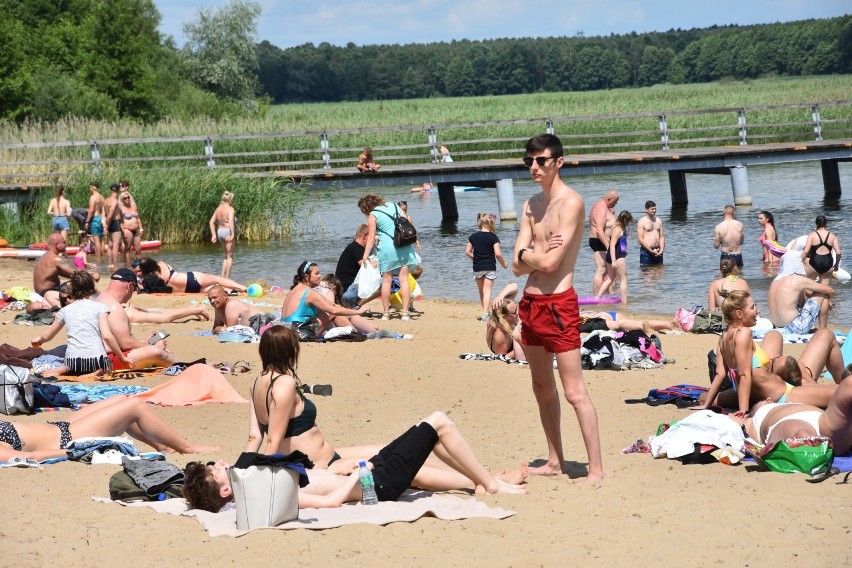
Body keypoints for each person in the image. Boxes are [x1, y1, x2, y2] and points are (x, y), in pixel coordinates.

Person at [231, 327, 524, 500]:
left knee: (396, 450)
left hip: (330, 456)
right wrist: (254, 484)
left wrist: (239, 472)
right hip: (323, 467)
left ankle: (478, 476)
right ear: (289, 352)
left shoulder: (257, 382)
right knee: (413, 468)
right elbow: (272, 444)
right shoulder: (283, 385)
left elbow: (253, 436)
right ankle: (483, 481)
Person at [186, 405, 526, 513]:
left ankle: (484, 481)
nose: (219, 464)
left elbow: (316, 479)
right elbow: (331, 502)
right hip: (377, 482)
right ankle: (491, 484)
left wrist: (341, 468)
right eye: (214, 471)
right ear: (226, 491)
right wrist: (357, 474)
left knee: (430, 436)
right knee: (437, 421)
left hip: (364, 475)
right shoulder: (268, 495)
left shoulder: (258, 485)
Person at [512, 134, 603, 481]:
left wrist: (529, 256)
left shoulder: (571, 203)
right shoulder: (530, 205)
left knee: (574, 391)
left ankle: (595, 468)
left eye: (541, 161)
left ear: (558, 162)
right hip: (531, 304)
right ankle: (555, 460)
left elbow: (551, 265)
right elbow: (517, 265)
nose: (534, 167)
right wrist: (532, 256)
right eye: (529, 162)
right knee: (541, 387)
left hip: (559, 304)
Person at [694, 290, 837, 416]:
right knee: (842, 393)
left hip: (756, 395)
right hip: (784, 395)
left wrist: (707, 404)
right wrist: (743, 411)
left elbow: (720, 374)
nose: (757, 311)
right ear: (739, 314)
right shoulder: (744, 333)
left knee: (773, 335)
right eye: (752, 307)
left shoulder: (723, 337)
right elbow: (744, 375)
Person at [0, 395, 219, 462]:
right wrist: (75, 451)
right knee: (135, 407)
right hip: (69, 439)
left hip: (62, 426)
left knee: (123, 399)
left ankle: (164, 447)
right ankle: (187, 448)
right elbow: (26, 457)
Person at [31, 271, 133, 376]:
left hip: (73, 362)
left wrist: (38, 340)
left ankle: (64, 370)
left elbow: (48, 336)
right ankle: (95, 372)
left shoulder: (65, 310)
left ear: (73, 290)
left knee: (70, 364)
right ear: (91, 287)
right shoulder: (100, 307)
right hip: (96, 361)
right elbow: (107, 336)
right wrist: (122, 357)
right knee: (107, 364)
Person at [95, 268, 181, 369]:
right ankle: (190, 366)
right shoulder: (114, 307)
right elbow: (126, 344)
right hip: (107, 361)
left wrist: (145, 343)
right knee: (156, 352)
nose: (132, 294)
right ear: (130, 285)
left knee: (152, 349)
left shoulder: (99, 299)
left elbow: (116, 340)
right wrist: (151, 346)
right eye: (135, 289)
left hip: (96, 357)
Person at [740, 378, 852, 455]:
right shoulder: (751, 420)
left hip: (821, 422)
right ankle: (811, 447)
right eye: (762, 402)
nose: (767, 400)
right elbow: (737, 428)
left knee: (849, 384)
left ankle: (811, 446)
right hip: (788, 423)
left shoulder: (787, 403)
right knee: (800, 432)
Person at [358, 193, 419, 321]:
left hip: (387, 248)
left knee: (386, 281)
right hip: (403, 244)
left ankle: (386, 313)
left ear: (365, 207)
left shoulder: (373, 215)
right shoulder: (394, 206)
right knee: (404, 280)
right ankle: (405, 312)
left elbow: (370, 238)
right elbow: (406, 222)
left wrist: (365, 255)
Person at [280, 261, 370, 336]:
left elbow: (332, 305)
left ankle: (358, 330)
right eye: (316, 273)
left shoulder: (293, 290)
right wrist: (359, 311)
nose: (320, 276)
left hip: (284, 330)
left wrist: (342, 308)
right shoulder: (310, 293)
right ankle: (354, 333)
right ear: (307, 277)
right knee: (328, 313)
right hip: (297, 333)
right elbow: (333, 310)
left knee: (330, 309)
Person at [767, 252, 834, 333]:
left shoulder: (774, 282)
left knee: (803, 296)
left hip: (776, 327)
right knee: (823, 294)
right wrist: (827, 299)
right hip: (796, 327)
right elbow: (830, 290)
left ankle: (822, 329)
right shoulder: (797, 279)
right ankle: (823, 330)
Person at [33, 234, 97, 308]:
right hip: (47, 291)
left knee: (78, 281)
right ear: (56, 244)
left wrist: (87, 275)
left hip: (41, 291)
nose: (65, 244)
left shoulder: (45, 256)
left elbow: (67, 274)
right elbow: (76, 273)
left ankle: (95, 298)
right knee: (80, 283)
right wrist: (91, 275)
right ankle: (96, 300)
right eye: (64, 242)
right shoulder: (55, 259)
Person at [466, 213, 508, 321]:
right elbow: (498, 254)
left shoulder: (473, 236)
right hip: (489, 267)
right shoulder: (493, 237)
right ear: (491, 224)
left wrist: (476, 258)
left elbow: (467, 251)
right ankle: (485, 313)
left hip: (477, 267)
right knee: (487, 290)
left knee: (482, 291)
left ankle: (485, 312)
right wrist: (504, 264)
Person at [134, 257, 247, 294]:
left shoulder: (150, 280)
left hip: (188, 290)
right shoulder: (161, 264)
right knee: (217, 279)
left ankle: (234, 292)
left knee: (214, 288)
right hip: (191, 278)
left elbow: (147, 289)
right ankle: (243, 288)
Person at [208, 284, 277, 335]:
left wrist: (217, 329)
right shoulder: (218, 307)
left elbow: (230, 332)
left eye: (215, 297)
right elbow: (216, 328)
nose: (212, 301)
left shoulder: (231, 305)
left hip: (266, 323)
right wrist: (217, 329)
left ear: (225, 296)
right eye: (210, 299)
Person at [588, 190, 619, 295]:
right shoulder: (601, 208)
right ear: (609, 199)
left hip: (600, 240)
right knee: (601, 269)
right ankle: (597, 297)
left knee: (606, 270)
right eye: (615, 201)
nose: (616, 203)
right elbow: (599, 230)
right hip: (599, 240)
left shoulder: (603, 206)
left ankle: (604, 296)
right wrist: (608, 246)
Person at [598, 210, 632, 304]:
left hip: (614, 255)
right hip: (617, 257)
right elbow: (612, 245)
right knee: (623, 279)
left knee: (610, 279)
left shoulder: (617, 226)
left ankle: (598, 298)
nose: (629, 223)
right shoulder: (617, 230)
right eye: (628, 221)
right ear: (625, 220)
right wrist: (613, 260)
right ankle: (624, 302)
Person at [336, 224, 369, 308]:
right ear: (364, 235)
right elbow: (367, 267)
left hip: (346, 288)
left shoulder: (355, 247)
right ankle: (357, 305)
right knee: (381, 282)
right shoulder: (355, 248)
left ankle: (356, 303)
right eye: (371, 236)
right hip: (347, 290)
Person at [801, 215, 841, 283]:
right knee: (824, 290)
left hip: (814, 262)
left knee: (807, 287)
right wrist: (836, 265)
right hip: (828, 263)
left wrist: (798, 261)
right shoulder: (832, 236)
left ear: (816, 224)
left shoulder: (812, 235)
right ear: (826, 224)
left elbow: (806, 251)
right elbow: (838, 253)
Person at [209, 191, 237, 279]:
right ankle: (227, 277)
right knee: (230, 256)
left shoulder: (218, 209)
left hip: (220, 232)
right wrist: (232, 234)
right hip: (227, 231)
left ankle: (222, 276)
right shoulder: (230, 209)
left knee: (225, 256)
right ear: (230, 200)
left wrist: (214, 235)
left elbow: (211, 222)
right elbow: (231, 222)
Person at [119, 190, 143, 267]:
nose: (127, 199)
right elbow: (120, 222)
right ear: (122, 200)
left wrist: (141, 228)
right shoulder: (121, 209)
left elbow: (138, 218)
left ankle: (140, 265)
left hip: (136, 230)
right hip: (127, 229)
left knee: (138, 249)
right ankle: (128, 266)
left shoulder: (133, 207)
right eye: (125, 198)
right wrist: (123, 232)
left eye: (128, 197)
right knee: (128, 249)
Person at [103, 183, 125, 269]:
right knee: (115, 245)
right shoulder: (115, 201)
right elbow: (110, 214)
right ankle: (115, 265)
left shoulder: (106, 200)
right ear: (118, 190)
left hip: (109, 223)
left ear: (111, 190)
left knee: (110, 244)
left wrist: (105, 225)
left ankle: (110, 263)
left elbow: (104, 214)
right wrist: (107, 226)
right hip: (114, 222)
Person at [636, 200, 664, 266]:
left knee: (660, 271)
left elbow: (661, 236)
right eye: (652, 209)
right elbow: (640, 240)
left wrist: (662, 249)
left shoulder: (658, 221)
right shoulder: (641, 222)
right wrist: (651, 251)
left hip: (658, 250)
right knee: (647, 273)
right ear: (646, 209)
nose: (654, 210)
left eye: (655, 209)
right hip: (646, 251)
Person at [83, 181, 105, 262]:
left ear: (92, 187)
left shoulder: (93, 197)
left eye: (89, 187)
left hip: (95, 219)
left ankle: (99, 259)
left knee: (96, 240)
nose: (89, 189)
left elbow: (91, 210)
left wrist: (87, 221)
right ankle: (103, 258)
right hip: (101, 218)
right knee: (101, 240)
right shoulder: (102, 197)